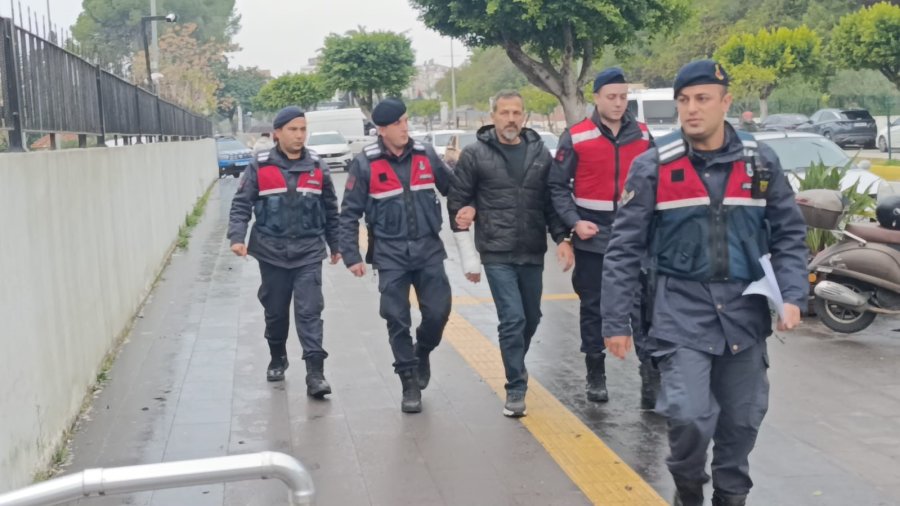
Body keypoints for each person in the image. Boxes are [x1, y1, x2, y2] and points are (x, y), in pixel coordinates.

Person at [599, 60, 808, 506]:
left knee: (742, 422)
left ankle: (731, 497)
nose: (691, 110)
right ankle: (689, 489)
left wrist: (792, 295)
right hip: (680, 312)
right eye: (683, 101)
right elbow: (623, 249)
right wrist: (614, 321)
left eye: (702, 99)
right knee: (691, 418)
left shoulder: (760, 162)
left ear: (725, 102)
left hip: (743, 314)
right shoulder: (653, 166)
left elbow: (789, 235)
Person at [448, 90, 571, 418]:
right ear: (493, 116)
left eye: (516, 113)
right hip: (496, 251)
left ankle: (515, 361)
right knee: (513, 318)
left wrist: (563, 238)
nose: (511, 119)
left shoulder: (540, 154)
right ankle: (516, 386)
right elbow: (458, 201)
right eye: (504, 113)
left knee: (532, 318)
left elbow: (551, 202)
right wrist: (468, 240)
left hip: (532, 249)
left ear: (525, 117)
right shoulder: (475, 155)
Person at [549, 67, 659, 407]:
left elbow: (657, 182)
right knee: (595, 308)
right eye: (611, 97)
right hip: (593, 237)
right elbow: (556, 187)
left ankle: (650, 380)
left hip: (636, 236)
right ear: (596, 98)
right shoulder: (577, 136)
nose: (618, 103)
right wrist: (574, 223)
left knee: (644, 308)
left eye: (624, 97)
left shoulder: (642, 135)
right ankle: (595, 373)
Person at [339, 98, 453, 414]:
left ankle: (423, 351)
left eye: (406, 120)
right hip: (390, 255)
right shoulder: (365, 164)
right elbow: (348, 213)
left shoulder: (425, 154)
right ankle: (409, 383)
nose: (406, 127)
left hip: (429, 250)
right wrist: (352, 255)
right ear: (382, 129)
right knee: (396, 318)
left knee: (438, 313)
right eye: (399, 123)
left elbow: (452, 189)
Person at [227, 106, 341, 398]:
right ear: (277, 133)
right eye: (293, 129)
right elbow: (241, 204)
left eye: (303, 129)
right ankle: (277, 356)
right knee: (275, 312)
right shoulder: (260, 165)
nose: (300, 135)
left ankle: (315, 374)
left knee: (310, 312)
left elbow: (330, 209)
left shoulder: (317, 165)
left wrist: (337, 245)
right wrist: (237, 237)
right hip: (271, 252)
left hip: (308, 251)